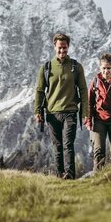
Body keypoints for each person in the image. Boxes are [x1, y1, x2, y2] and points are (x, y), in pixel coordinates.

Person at [34, 32, 88, 179]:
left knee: (68, 144)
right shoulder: (46, 68)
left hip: (70, 112)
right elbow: (39, 91)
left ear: (68, 47)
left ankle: (69, 175)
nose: (62, 50)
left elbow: (83, 90)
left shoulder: (76, 67)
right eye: (59, 47)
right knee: (57, 146)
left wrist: (85, 112)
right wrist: (37, 111)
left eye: (64, 47)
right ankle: (59, 175)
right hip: (52, 113)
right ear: (54, 47)